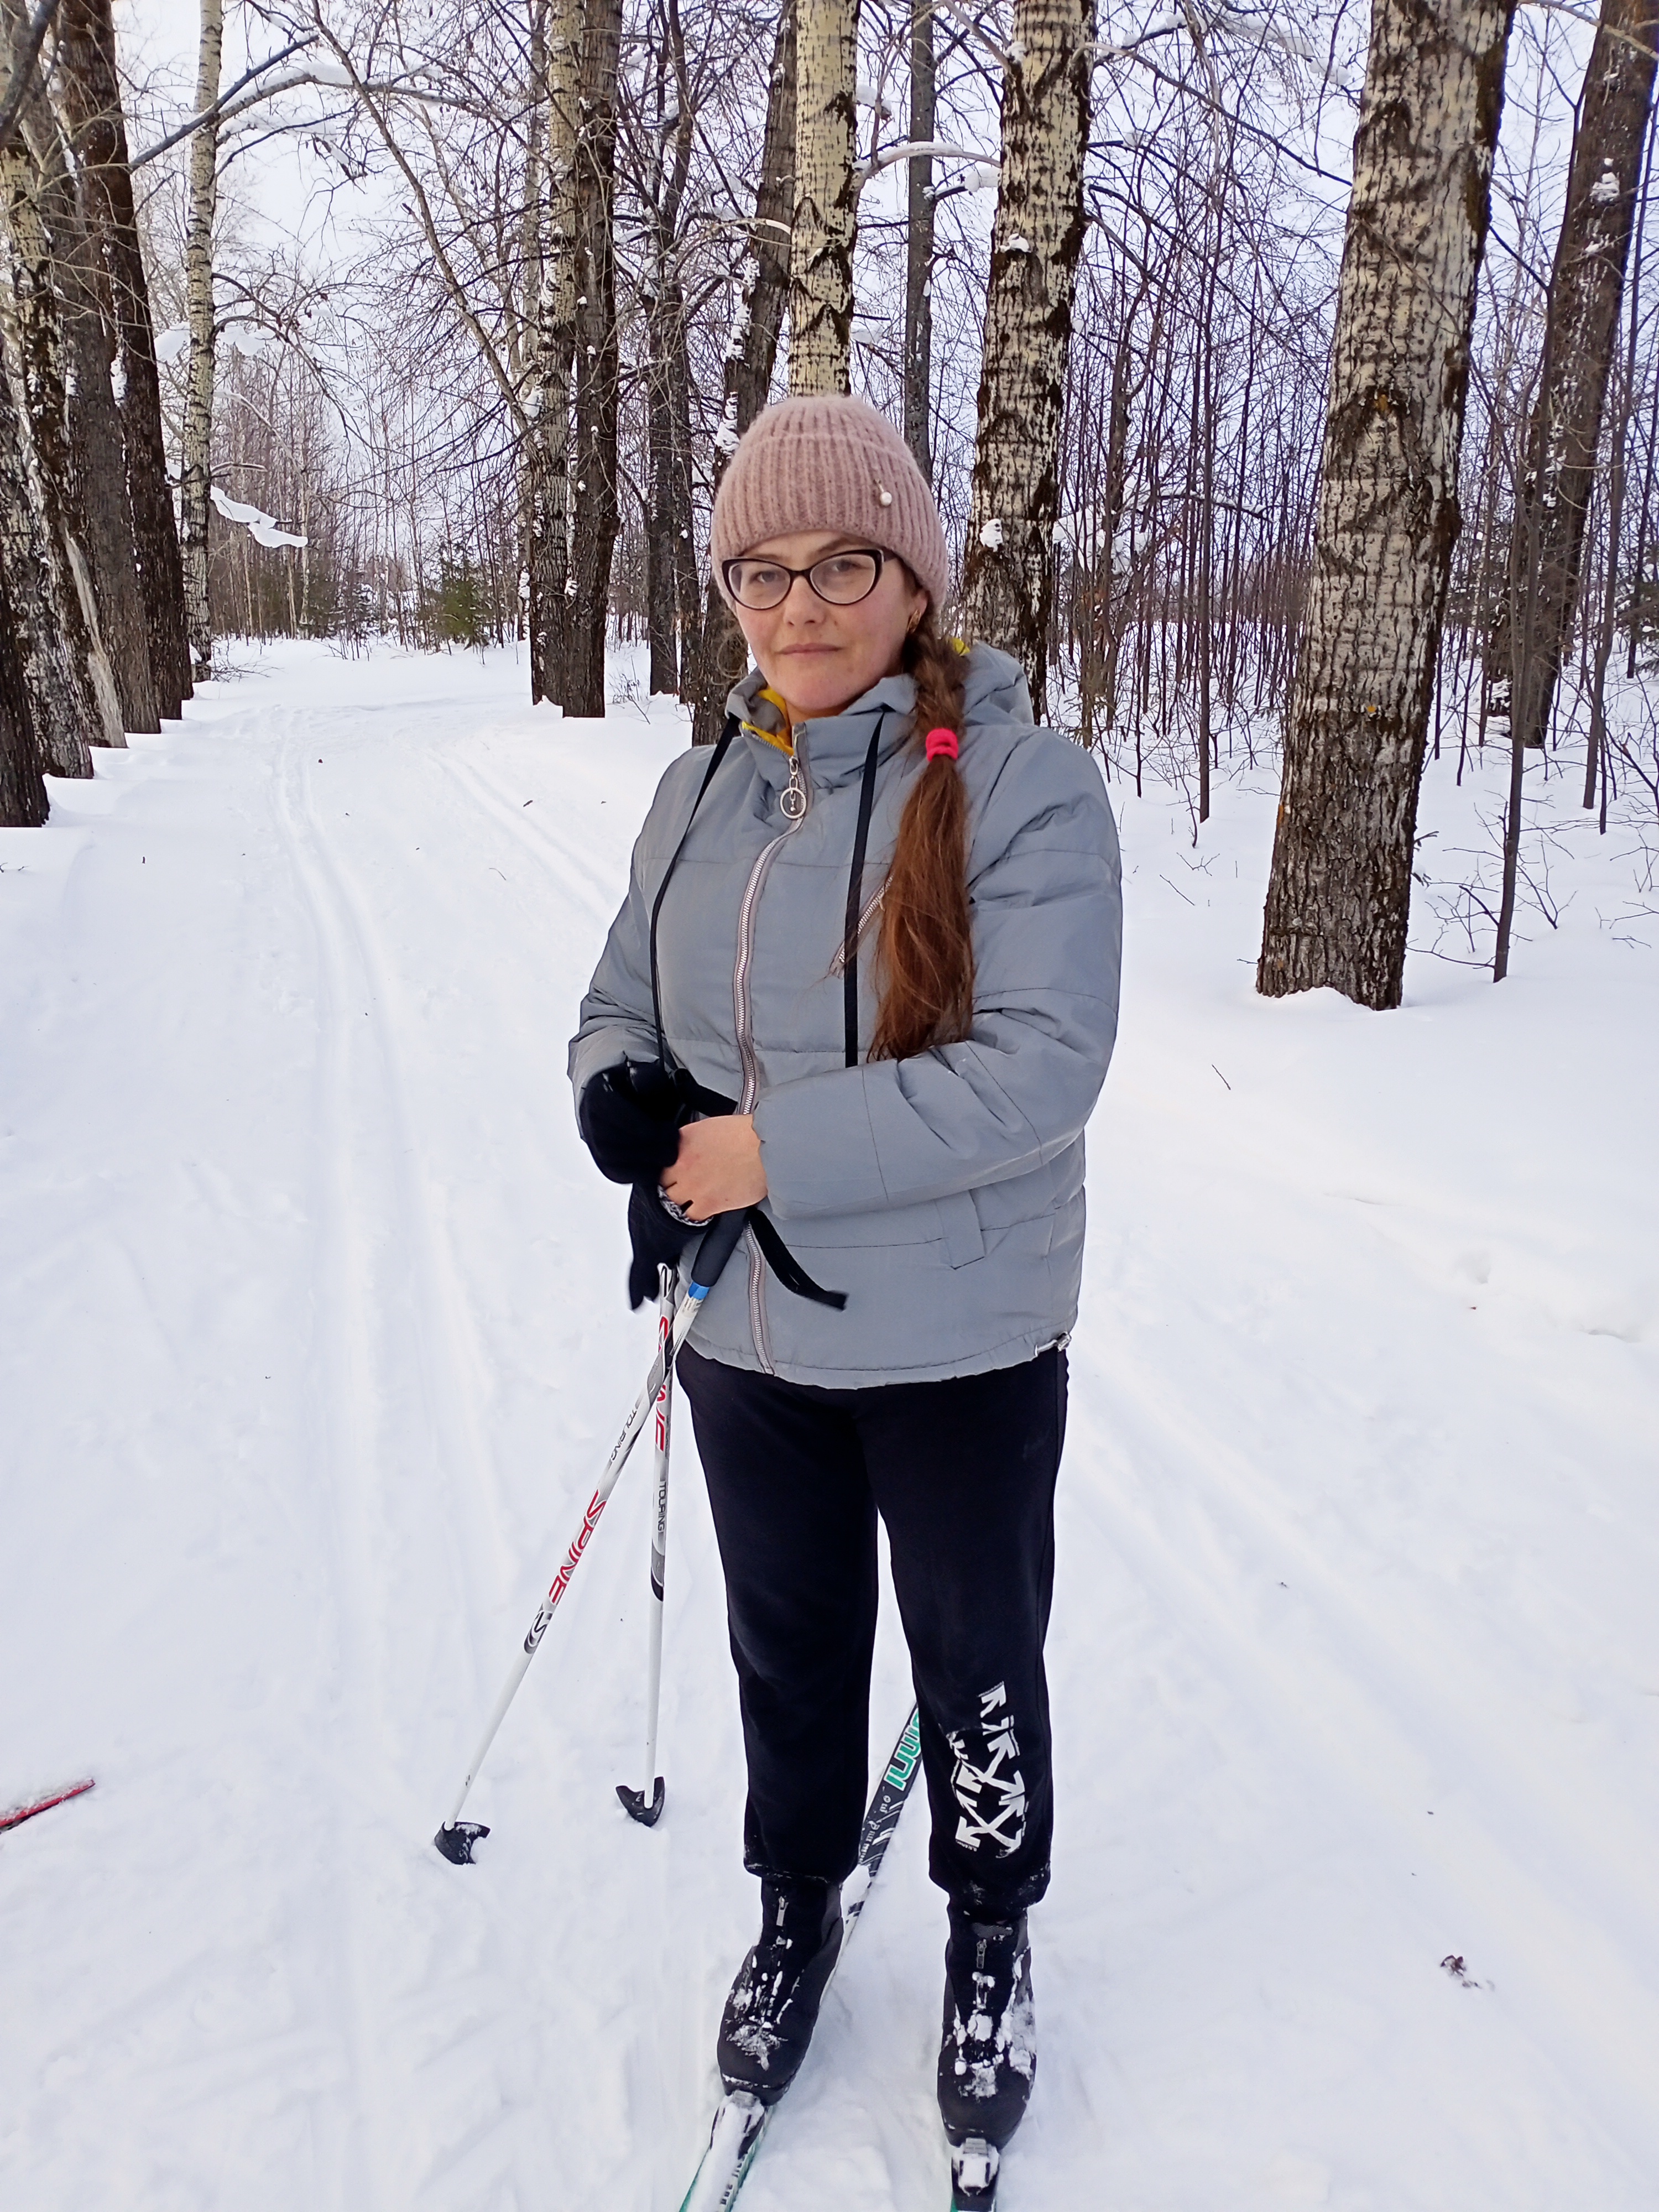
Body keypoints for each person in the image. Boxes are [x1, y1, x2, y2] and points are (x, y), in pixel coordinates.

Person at [569, 394, 1121, 2178]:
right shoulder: (700, 780)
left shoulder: (1024, 781)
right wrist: (622, 1103)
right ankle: (793, 1907)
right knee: (789, 1651)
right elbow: (619, 1005)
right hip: (748, 1326)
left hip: (960, 1332)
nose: (799, 609)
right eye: (760, 573)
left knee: (972, 1660)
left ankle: (988, 1931)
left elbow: (1038, 1072)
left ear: (914, 576)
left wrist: (762, 1150)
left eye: (842, 566)